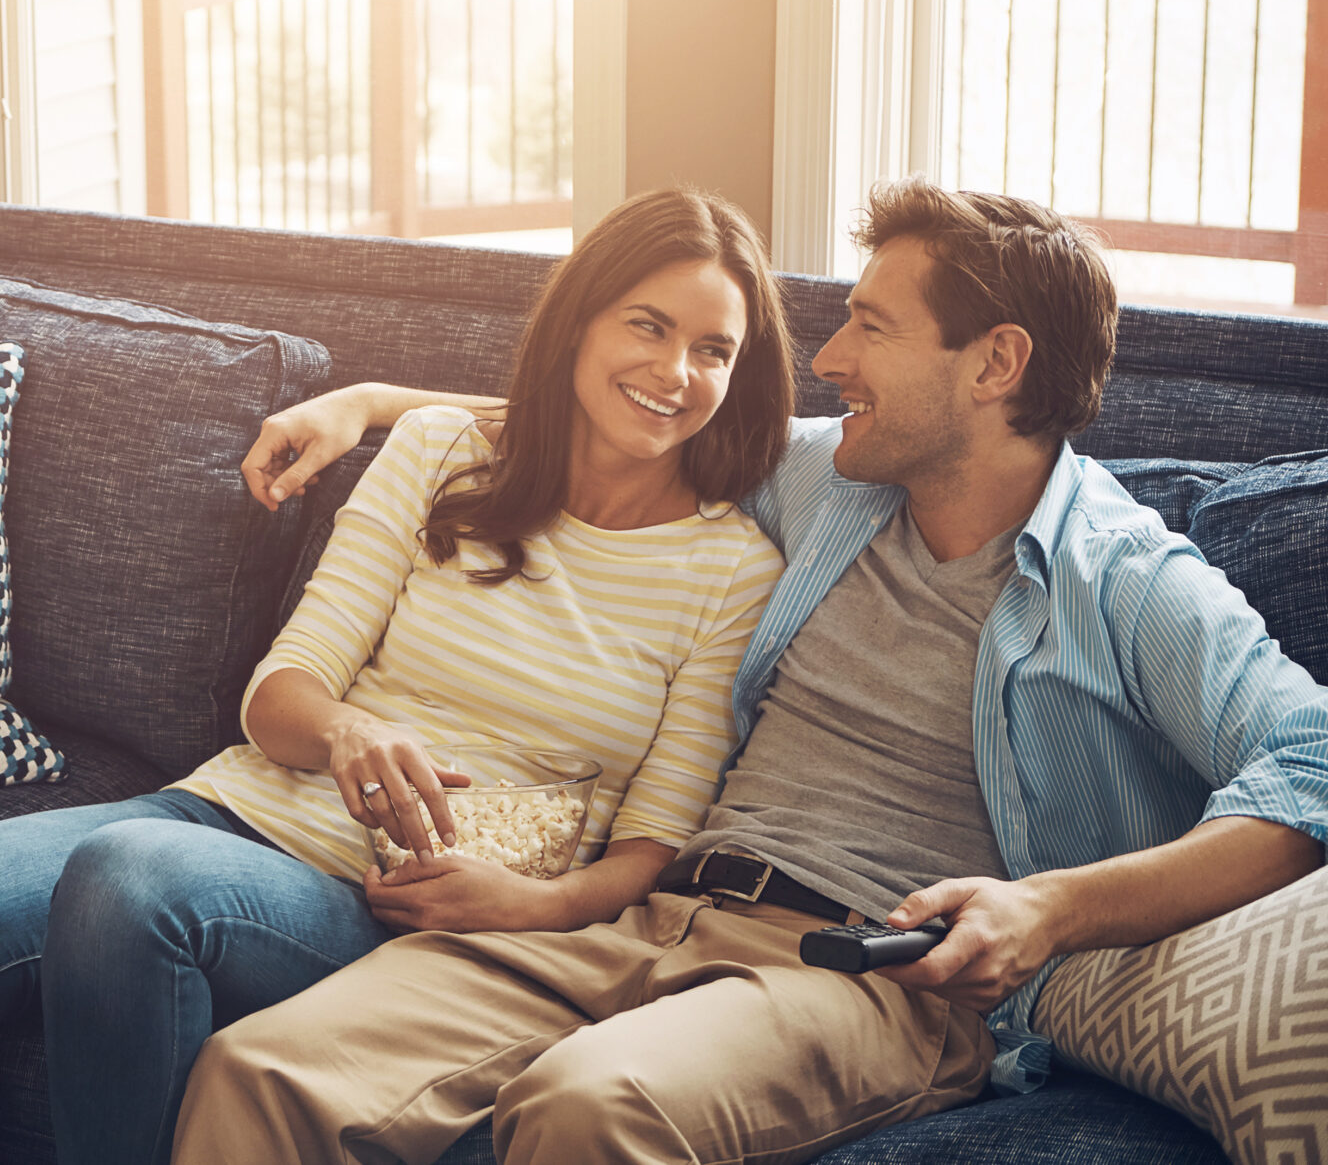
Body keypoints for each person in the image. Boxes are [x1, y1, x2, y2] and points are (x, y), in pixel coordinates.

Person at [176, 181, 1328, 1165]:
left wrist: (1049, 908)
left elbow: (1311, 759)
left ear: (995, 364)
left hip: (870, 976)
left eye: (870, 328)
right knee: (260, 1067)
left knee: (585, 1106)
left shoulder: (1123, 579)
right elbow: (617, 417)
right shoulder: (834, 477)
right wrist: (371, 403)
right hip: (655, 912)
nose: (827, 362)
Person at [0, 188, 795, 1165]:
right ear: (581, 318)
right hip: (232, 814)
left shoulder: (732, 571)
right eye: (647, 324)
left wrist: (540, 907)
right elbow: (280, 691)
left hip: (401, 900)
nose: (673, 371)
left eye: (712, 350)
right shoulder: (438, 451)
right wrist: (345, 730)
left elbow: (653, 843)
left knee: (128, 881)